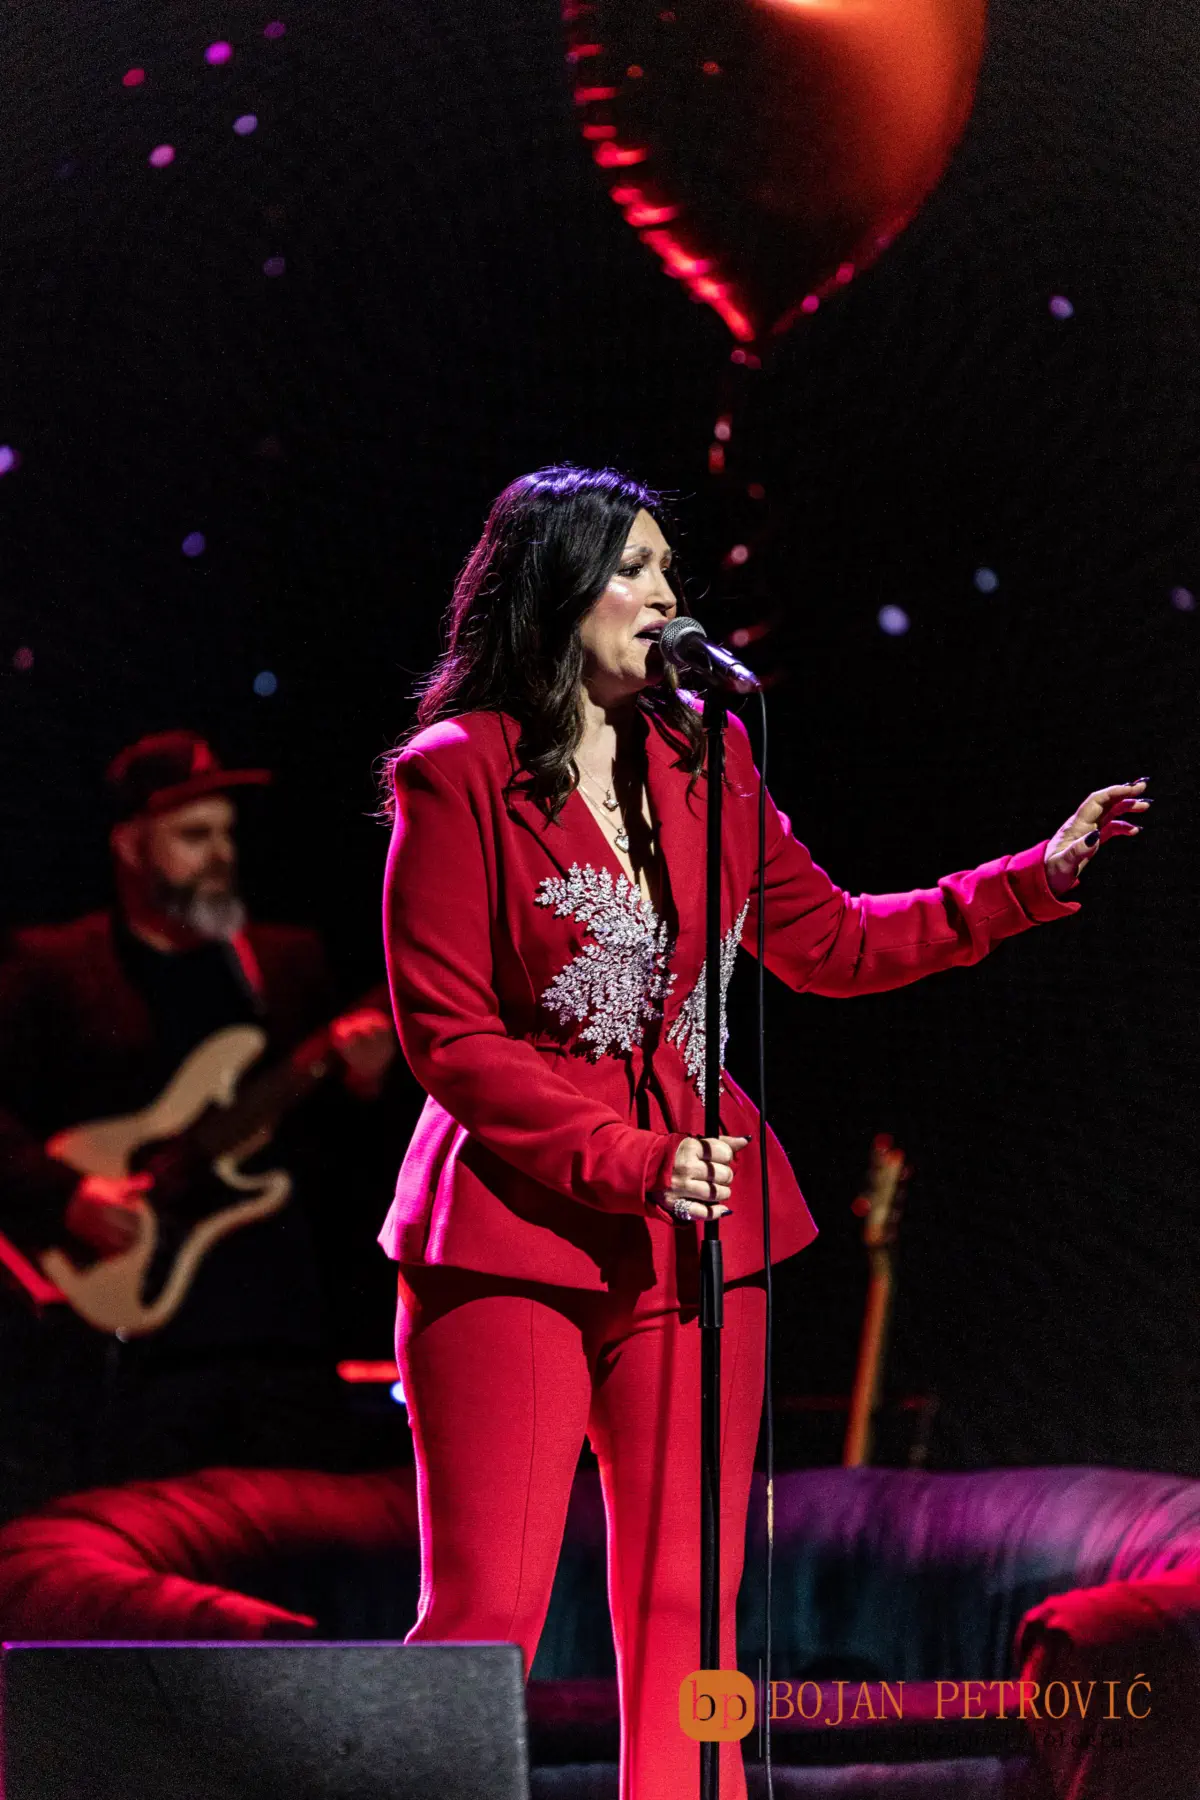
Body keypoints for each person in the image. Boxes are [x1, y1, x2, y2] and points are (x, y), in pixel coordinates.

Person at [377, 465, 1149, 1800]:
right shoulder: (459, 775)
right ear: (552, 590)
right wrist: (628, 1161)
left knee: (690, 1607)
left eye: (669, 568)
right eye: (632, 567)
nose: (664, 593)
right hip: (514, 1233)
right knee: (487, 1612)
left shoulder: (710, 758)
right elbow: (449, 1034)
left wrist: (1029, 882)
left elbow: (831, 941)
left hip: (698, 1233)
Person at [0, 730, 397, 1520]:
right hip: (130, 1359)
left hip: (281, 1338)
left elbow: (345, 1163)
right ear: (128, 844)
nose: (220, 855)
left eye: (226, 834)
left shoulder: (286, 961)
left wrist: (366, 1084)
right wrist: (65, 1197)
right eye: (193, 835)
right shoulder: (52, 965)